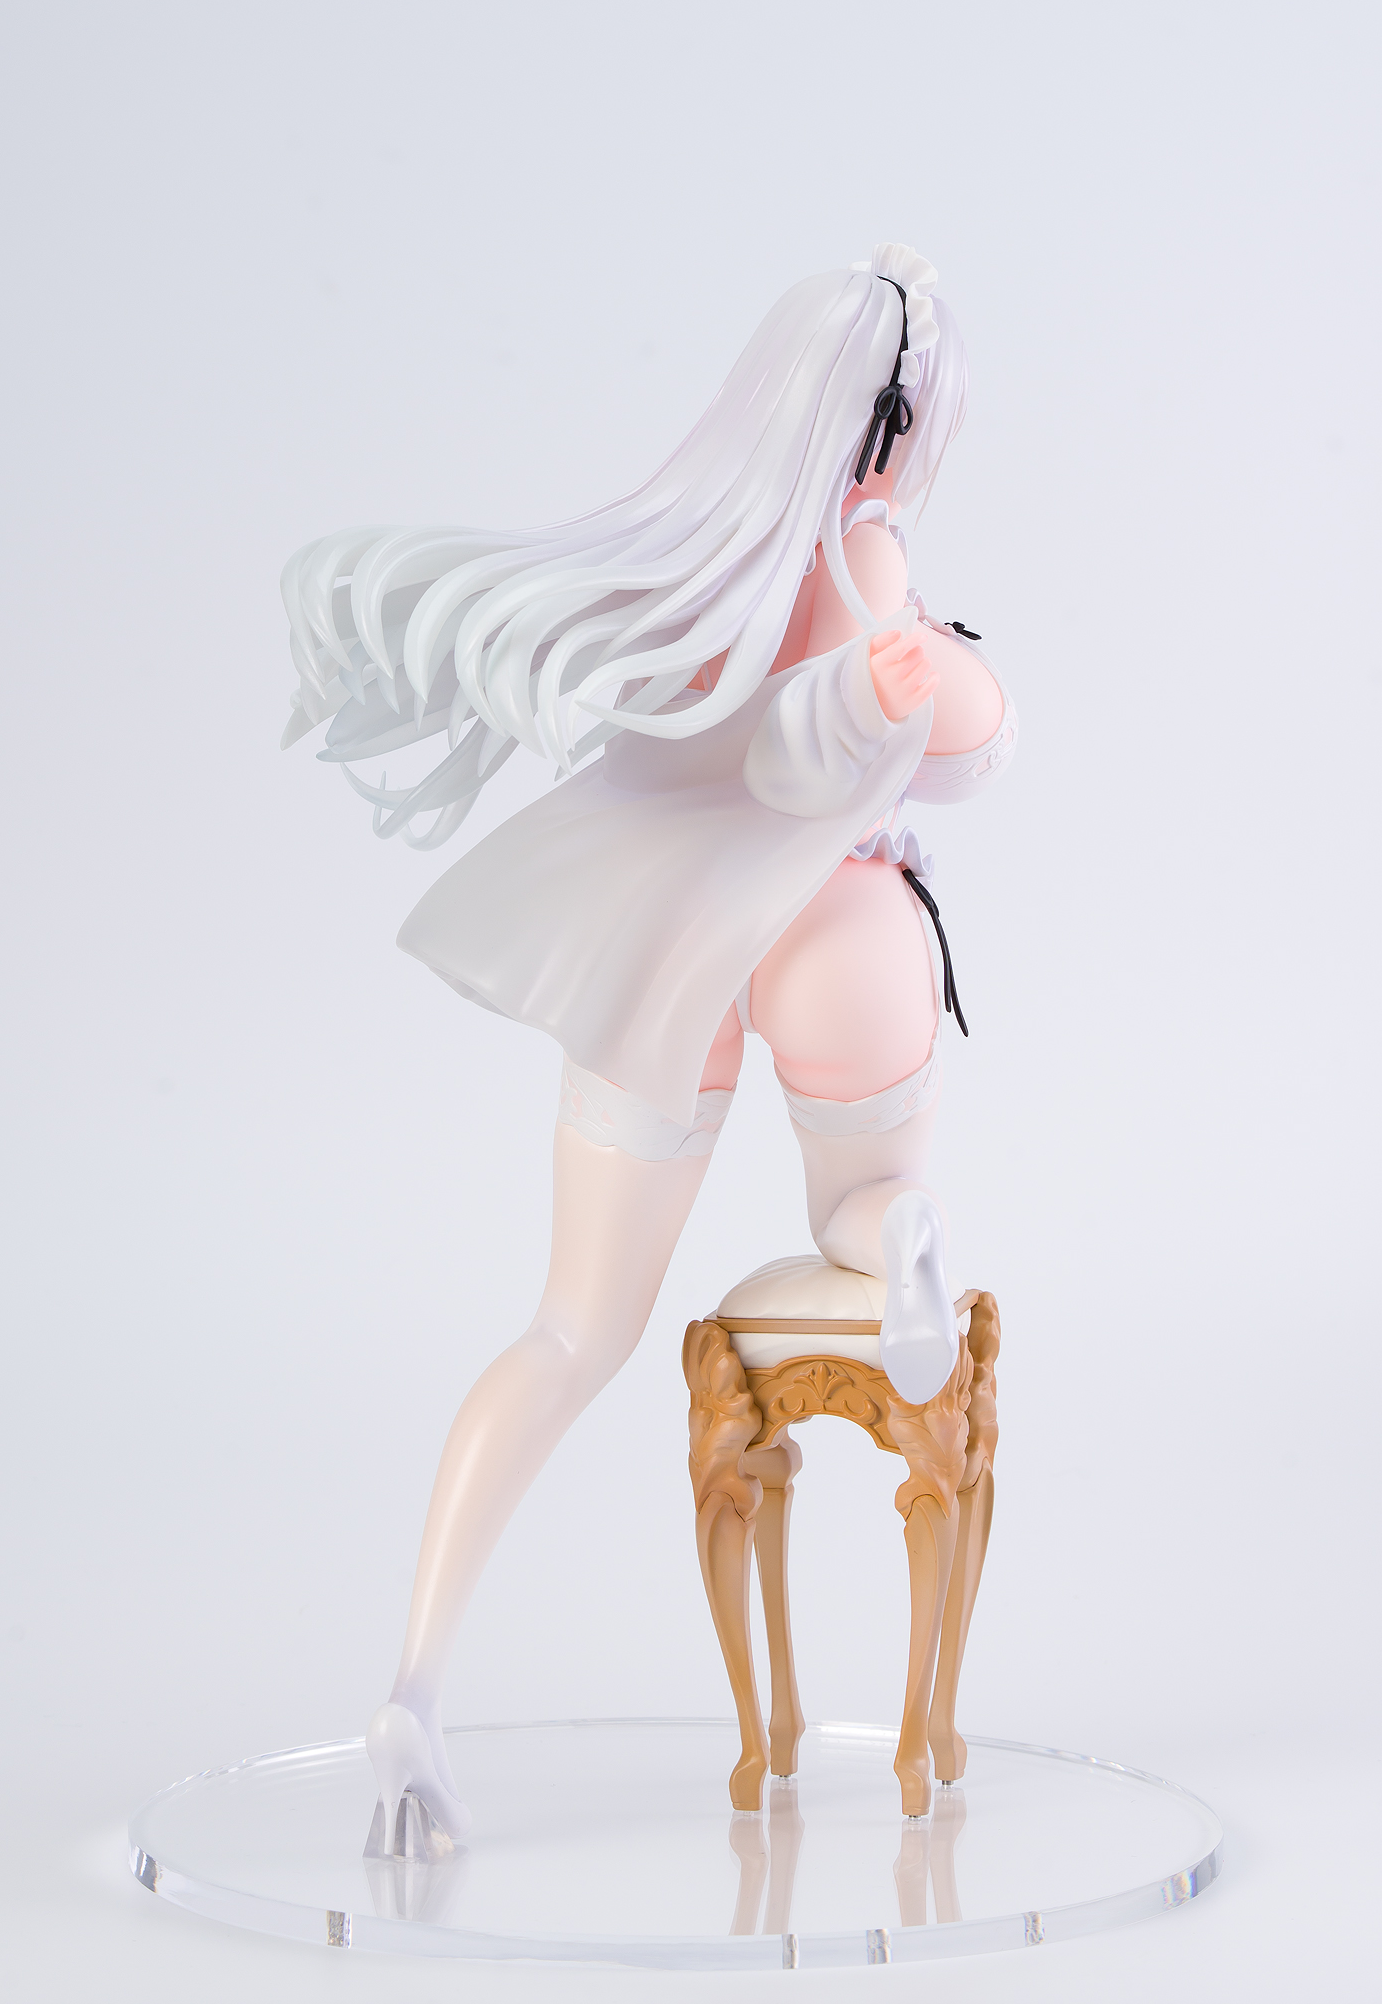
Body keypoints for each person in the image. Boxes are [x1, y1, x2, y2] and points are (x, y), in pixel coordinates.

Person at [281, 245, 1016, 1843]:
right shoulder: (869, 548)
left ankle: (413, 1690)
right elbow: (953, 747)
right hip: (837, 934)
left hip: (668, 963)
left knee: (571, 1330)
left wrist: (859, 697)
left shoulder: (706, 565)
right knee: (857, 1203)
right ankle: (898, 1240)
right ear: (898, 426)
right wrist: (917, 676)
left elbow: (771, 732)